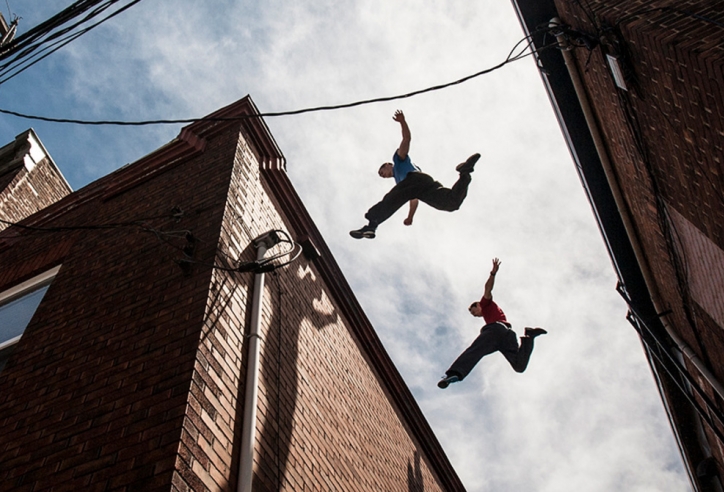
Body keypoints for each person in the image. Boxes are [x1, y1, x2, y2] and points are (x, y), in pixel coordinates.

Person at [350, 110, 480, 239]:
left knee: (391, 199)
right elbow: (413, 200)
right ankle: (465, 171)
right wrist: (410, 216)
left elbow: (406, 139)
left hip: (415, 179)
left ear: (388, 164)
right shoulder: (402, 184)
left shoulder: (398, 161)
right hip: (425, 186)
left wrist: (402, 122)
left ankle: (371, 224)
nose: (383, 175)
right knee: (451, 203)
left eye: (382, 172)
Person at [438, 258, 547, 389]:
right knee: (519, 366)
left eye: (475, 312)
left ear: (478, 305)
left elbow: (487, 289)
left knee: (475, 350)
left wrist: (493, 274)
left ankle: (453, 374)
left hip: (495, 331)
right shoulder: (491, 312)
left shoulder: (485, 304)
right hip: (507, 335)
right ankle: (529, 336)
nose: (476, 315)